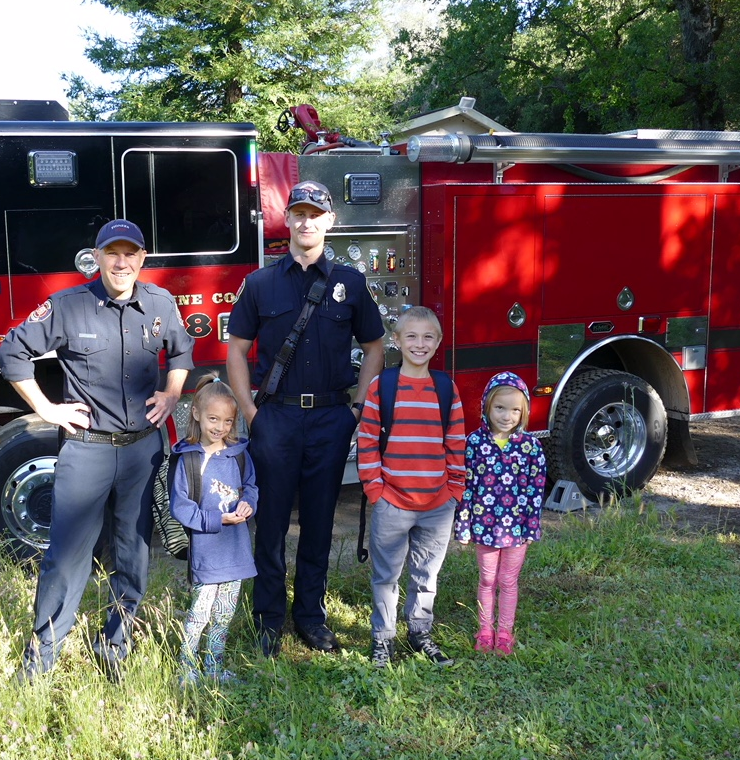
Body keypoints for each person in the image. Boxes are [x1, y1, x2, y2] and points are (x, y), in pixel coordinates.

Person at [0, 219, 192, 681]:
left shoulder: (161, 303)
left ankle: (115, 643)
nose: (121, 262)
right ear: (97, 257)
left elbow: (182, 352)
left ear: (142, 259)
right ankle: (42, 655)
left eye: (130, 254)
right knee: (66, 555)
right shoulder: (68, 306)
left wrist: (171, 395)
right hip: (86, 450)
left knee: (134, 551)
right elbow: (11, 354)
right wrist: (48, 409)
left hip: (142, 451)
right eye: (112, 253)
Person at [226, 180, 385, 657]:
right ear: (287, 220)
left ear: (330, 221)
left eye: (316, 213)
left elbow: (375, 346)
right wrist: (251, 412)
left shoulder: (350, 283)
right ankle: (269, 620)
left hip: (330, 421)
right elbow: (236, 351)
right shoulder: (260, 283)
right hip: (275, 419)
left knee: (318, 521)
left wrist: (356, 408)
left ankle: (310, 618)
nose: (306, 221)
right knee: (270, 522)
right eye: (298, 213)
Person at [356, 307, 466, 668]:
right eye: (412, 337)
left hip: (437, 505)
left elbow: (456, 443)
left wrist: (454, 491)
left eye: (428, 337)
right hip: (393, 503)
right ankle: (383, 640)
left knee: (426, 574)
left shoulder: (446, 389)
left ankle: (420, 633)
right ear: (397, 341)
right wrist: (376, 491)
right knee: (386, 575)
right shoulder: (382, 386)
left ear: (438, 343)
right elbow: (368, 440)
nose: (420, 344)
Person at [169, 374, 258, 684]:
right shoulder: (189, 459)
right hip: (207, 552)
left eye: (227, 421)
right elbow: (180, 506)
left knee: (224, 613)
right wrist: (216, 520)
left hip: (236, 551)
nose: (220, 427)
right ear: (196, 414)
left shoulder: (239, 454)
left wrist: (249, 505)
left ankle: (214, 666)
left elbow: (250, 487)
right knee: (200, 613)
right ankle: (187, 666)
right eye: (213, 419)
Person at [453, 371, 548, 656]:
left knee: (508, 581)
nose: (507, 416)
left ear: (524, 412)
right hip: (484, 527)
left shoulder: (531, 447)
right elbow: (466, 487)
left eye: (515, 410)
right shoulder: (474, 443)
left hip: (517, 529)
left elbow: (536, 489)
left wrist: (532, 526)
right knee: (487, 579)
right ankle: (485, 629)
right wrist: (464, 525)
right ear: (486, 407)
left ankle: (504, 632)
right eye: (500, 408)